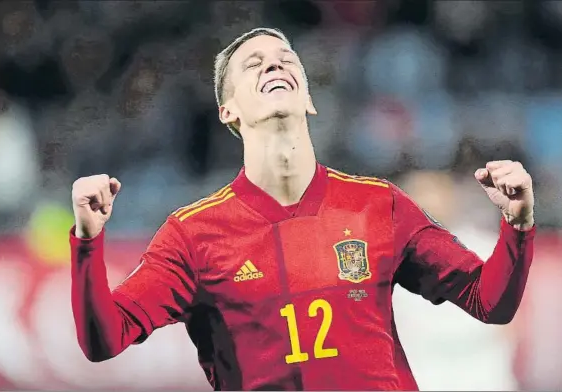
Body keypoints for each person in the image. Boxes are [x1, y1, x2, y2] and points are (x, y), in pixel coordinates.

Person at [70, 28, 536, 391]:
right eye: (254, 64)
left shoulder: (379, 204)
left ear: (309, 98)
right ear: (227, 110)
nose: (273, 65)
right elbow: (104, 340)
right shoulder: (193, 234)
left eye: (285, 59)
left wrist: (517, 227)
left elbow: (489, 302)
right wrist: (87, 244)